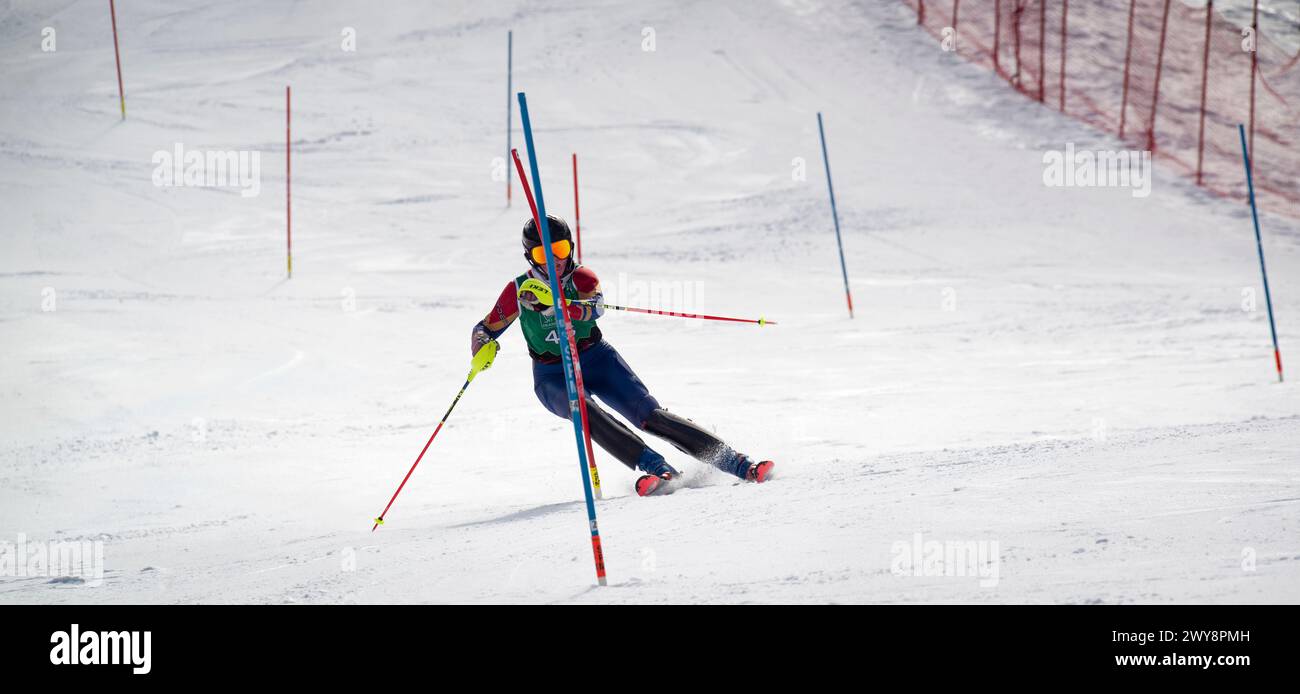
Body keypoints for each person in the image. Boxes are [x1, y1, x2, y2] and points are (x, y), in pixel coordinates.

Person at [470, 214, 774, 496]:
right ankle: (658, 468)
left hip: (597, 359)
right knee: (584, 409)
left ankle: (737, 463)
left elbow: (596, 309)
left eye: (560, 249)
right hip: (552, 375)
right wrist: (482, 345)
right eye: (542, 253)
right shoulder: (519, 291)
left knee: (650, 417)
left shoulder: (582, 279)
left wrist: (562, 306)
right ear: (529, 255)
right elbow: (485, 328)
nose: (554, 259)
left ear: (570, 247)